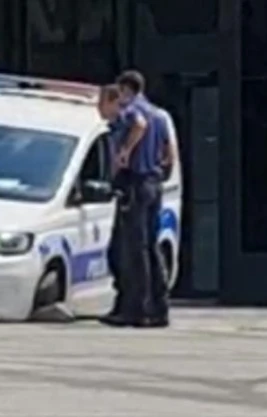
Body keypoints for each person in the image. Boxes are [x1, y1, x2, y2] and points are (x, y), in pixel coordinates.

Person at [101, 70, 174, 328]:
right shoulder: (160, 115)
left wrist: (125, 152)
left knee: (133, 250)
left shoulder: (133, 110)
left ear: (125, 90)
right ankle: (158, 308)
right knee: (151, 247)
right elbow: (168, 151)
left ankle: (137, 309)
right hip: (153, 183)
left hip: (136, 182)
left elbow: (138, 124)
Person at [96, 84, 147, 321]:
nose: (98, 108)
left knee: (128, 251)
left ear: (114, 102)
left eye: (101, 103)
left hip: (133, 186)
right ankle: (129, 307)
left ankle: (132, 308)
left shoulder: (128, 115)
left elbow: (140, 124)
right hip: (134, 185)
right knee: (124, 251)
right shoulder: (115, 125)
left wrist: (125, 151)